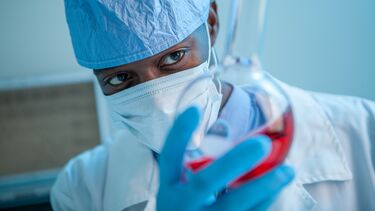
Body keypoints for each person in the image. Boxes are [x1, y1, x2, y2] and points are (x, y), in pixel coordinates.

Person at [51, 0, 375, 210]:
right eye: (120, 79)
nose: (158, 100)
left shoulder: (365, 131)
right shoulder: (81, 190)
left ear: (212, 22)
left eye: (173, 57)